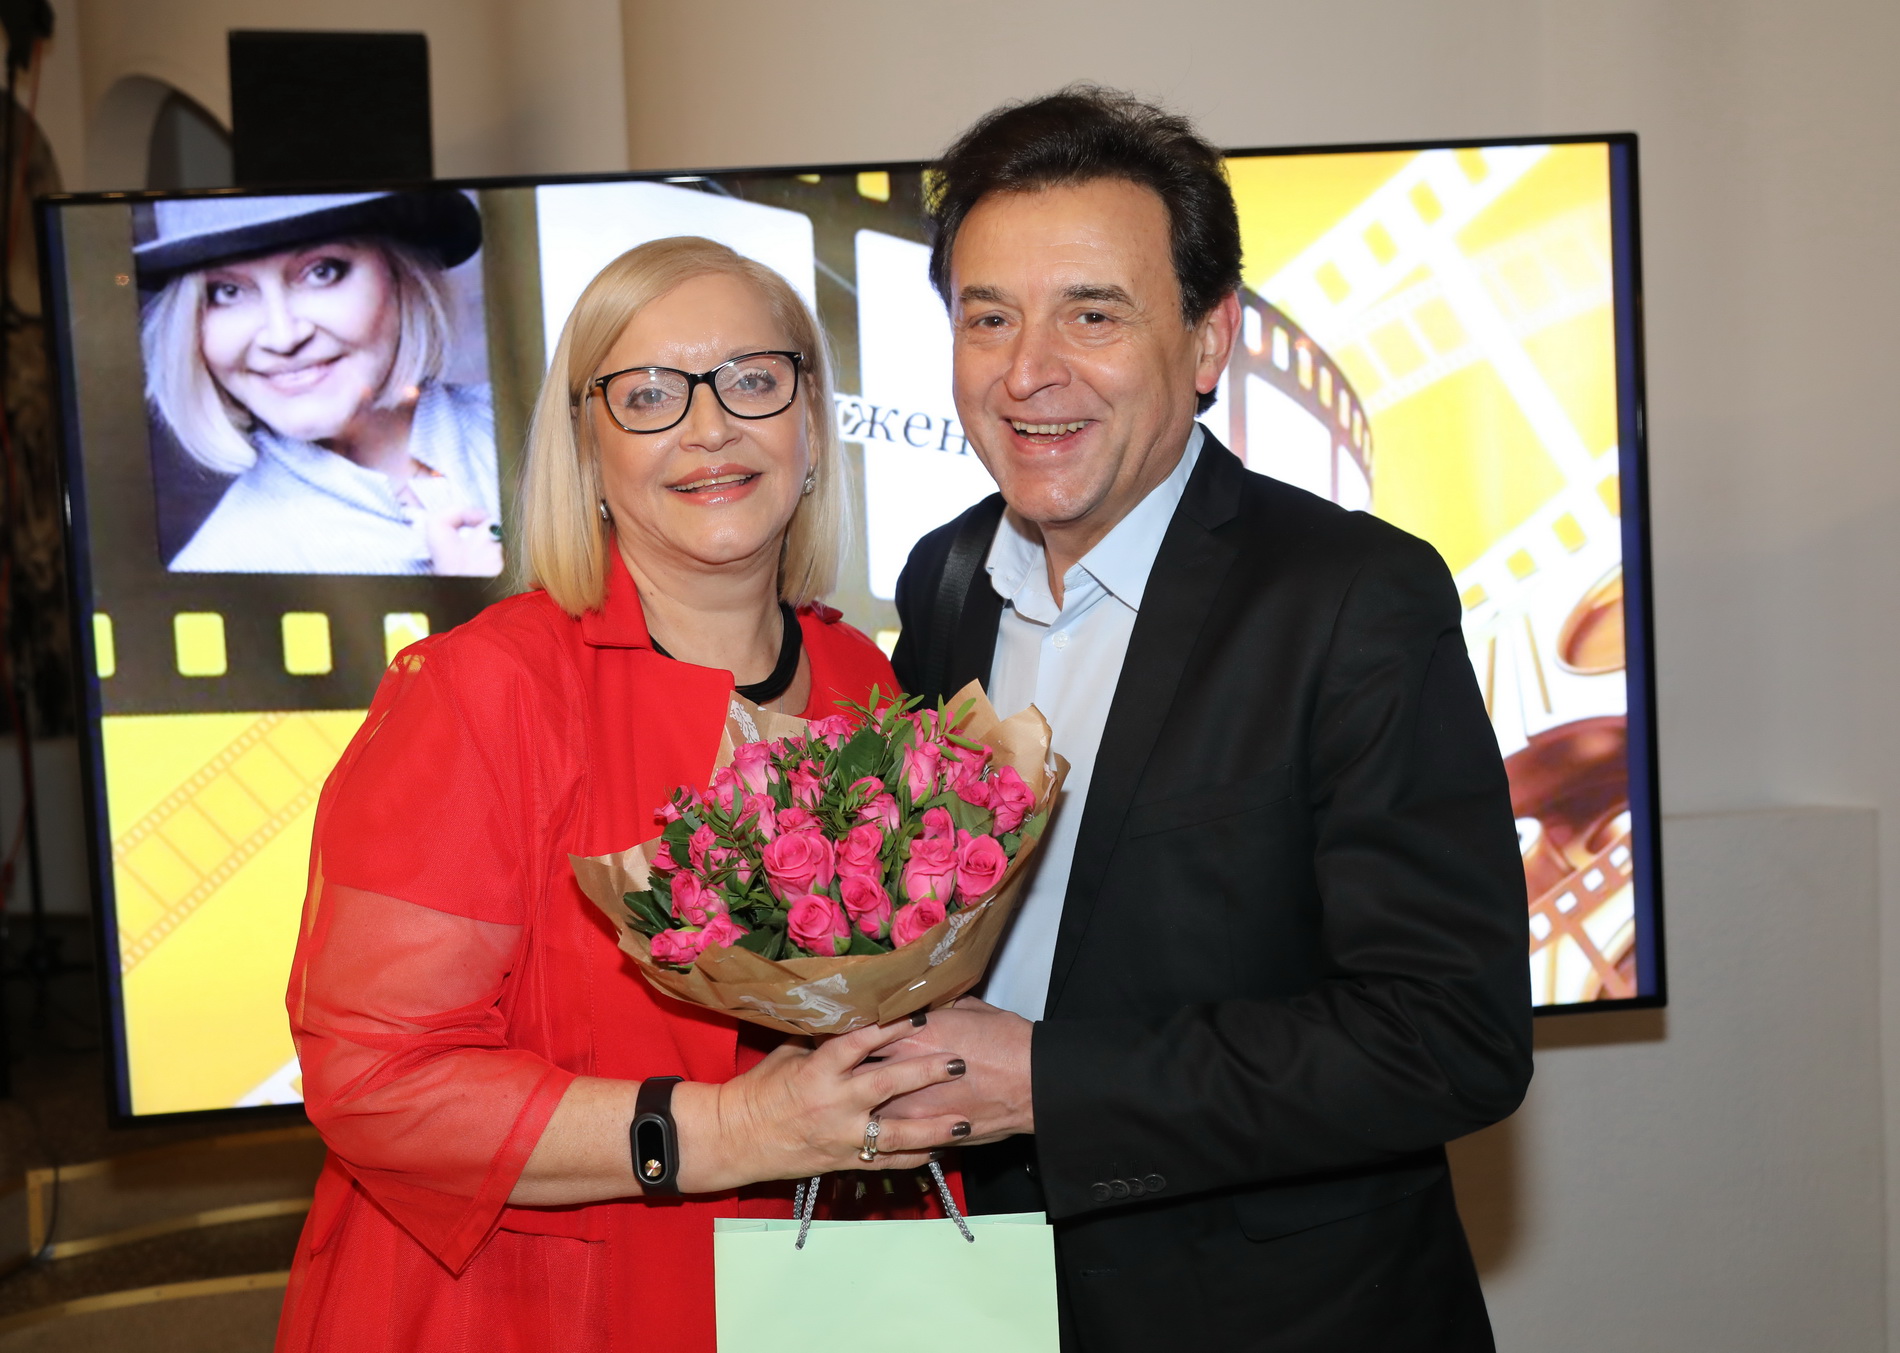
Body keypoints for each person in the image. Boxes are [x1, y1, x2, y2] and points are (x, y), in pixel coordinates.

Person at [882, 87, 1533, 1351]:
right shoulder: (944, 578)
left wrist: (1050, 1086)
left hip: (1276, 1316)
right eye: (988, 316)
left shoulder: (1353, 597)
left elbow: (1448, 1037)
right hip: (974, 1296)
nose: (1027, 371)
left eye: (1092, 314)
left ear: (1207, 339)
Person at [275, 237, 971, 1353]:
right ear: (588, 448)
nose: (709, 427)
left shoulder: (869, 686)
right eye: (648, 395)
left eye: (752, 379)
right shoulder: (487, 690)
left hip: (817, 1283)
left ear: (809, 423)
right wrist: (726, 1129)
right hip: (530, 1310)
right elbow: (380, 1081)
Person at [137, 190, 502, 575]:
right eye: (227, 292)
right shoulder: (215, 570)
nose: (283, 337)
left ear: (400, 276)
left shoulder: (539, 426)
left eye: (322, 272)